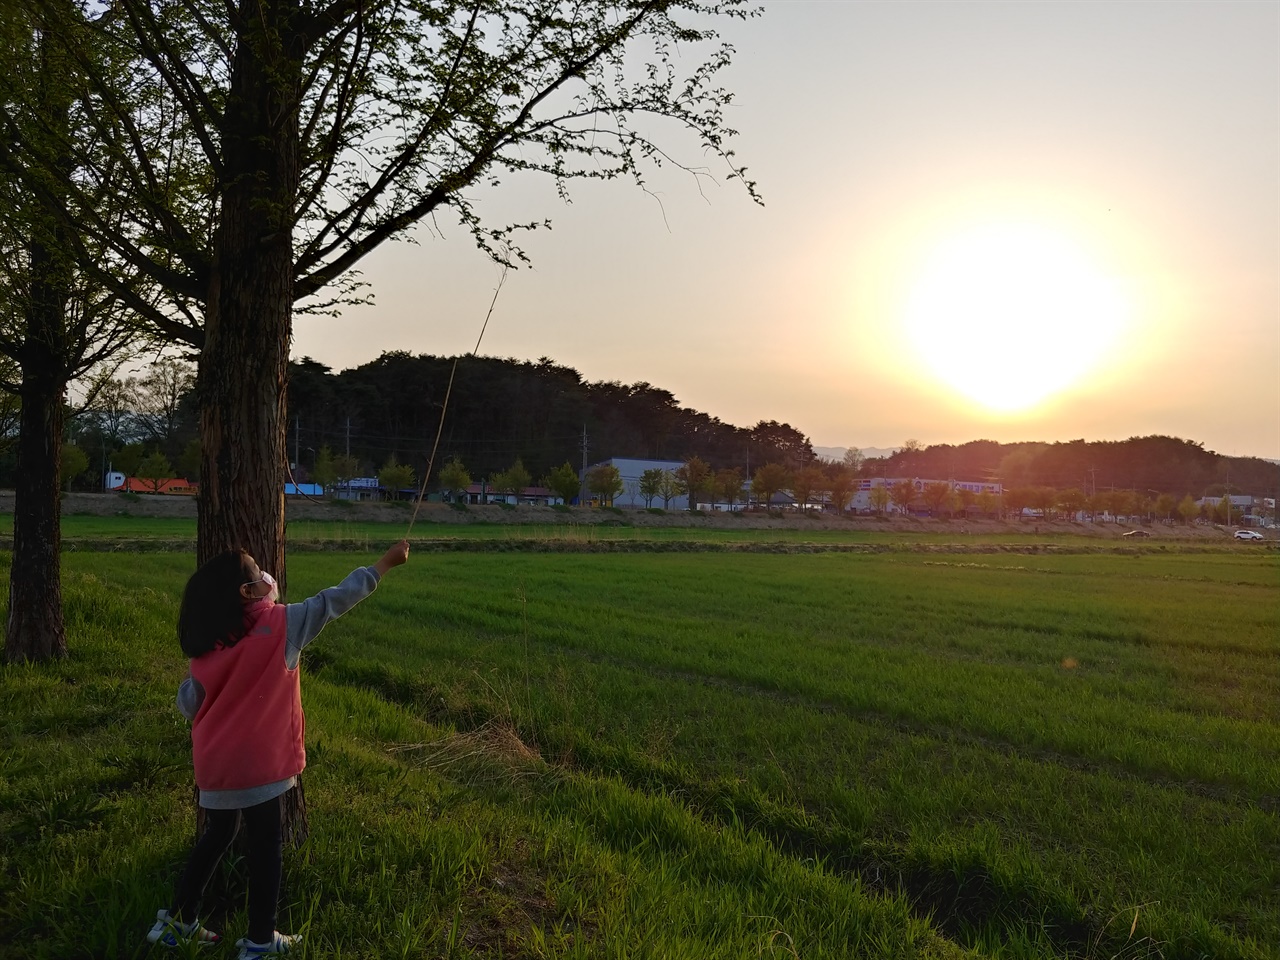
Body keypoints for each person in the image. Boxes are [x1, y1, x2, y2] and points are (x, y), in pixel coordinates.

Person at [147, 540, 410, 957]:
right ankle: (259, 941)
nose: (265, 574)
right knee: (267, 846)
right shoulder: (284, 625)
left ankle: (177, 921)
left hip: (215, 767)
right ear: (248, 591)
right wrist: (384, 564)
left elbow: (189, 704)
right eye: (257, 570)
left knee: (218, 834)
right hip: (262, 768)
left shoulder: (208, 646)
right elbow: (334, 600)